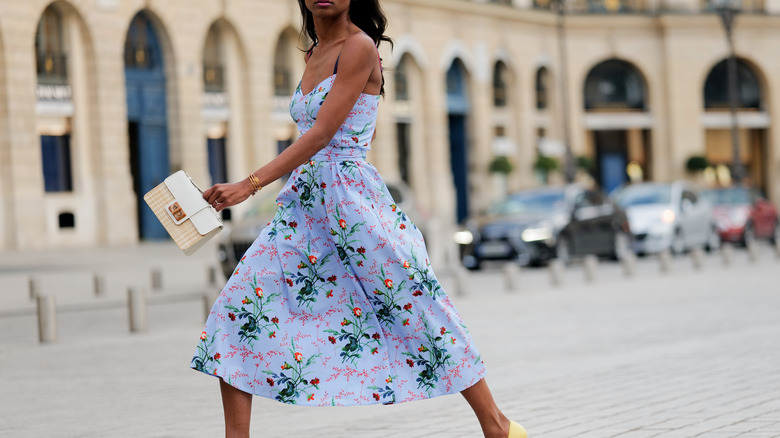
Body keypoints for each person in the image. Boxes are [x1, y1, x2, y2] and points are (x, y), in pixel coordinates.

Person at [194, 1, 526, 437]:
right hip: (304, 207)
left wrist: (249, 184)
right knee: (237, 309)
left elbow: (322, 133)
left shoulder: (359, 47)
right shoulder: (313, 53)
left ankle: (496, 425)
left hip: (351, 203)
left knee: (415, 306)